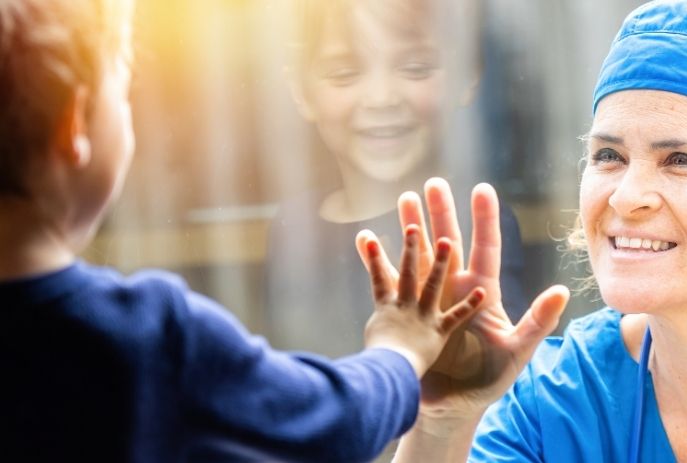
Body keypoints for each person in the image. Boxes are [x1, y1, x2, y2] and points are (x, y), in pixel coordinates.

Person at [0, 1, 491, 462]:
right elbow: (330, 427)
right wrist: (400, 351)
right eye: (122, 91)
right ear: (74, 129)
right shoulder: (152, 335)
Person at [359, 0, 687, 461]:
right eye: (608, 156)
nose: (623, 196)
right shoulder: (553, 402)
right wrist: (443, 423)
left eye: (681, 161)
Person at [263, 0, 529, 358]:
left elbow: (494, 369)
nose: (381, 98)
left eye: (416, 68)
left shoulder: (478, 225)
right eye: (344, 73)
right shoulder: (294, 225)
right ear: (300, 89)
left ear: (468, 76)